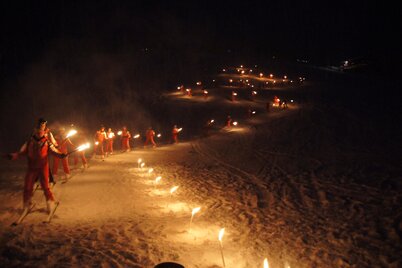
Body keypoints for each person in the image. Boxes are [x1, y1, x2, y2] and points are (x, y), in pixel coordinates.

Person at [8, 118, 66, 214]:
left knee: (45, 186)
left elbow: (54, 151)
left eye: (42, 128)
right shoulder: (30, 141)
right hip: (31, 167)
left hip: (43, 166)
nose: (39, 131)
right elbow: (22, 152)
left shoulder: (46, 141)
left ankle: (50, 202)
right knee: (27, 186)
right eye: (39, 129)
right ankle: (27, 204)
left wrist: (61, 155)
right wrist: (14, 155)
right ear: (35, 131)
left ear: (44, 131)